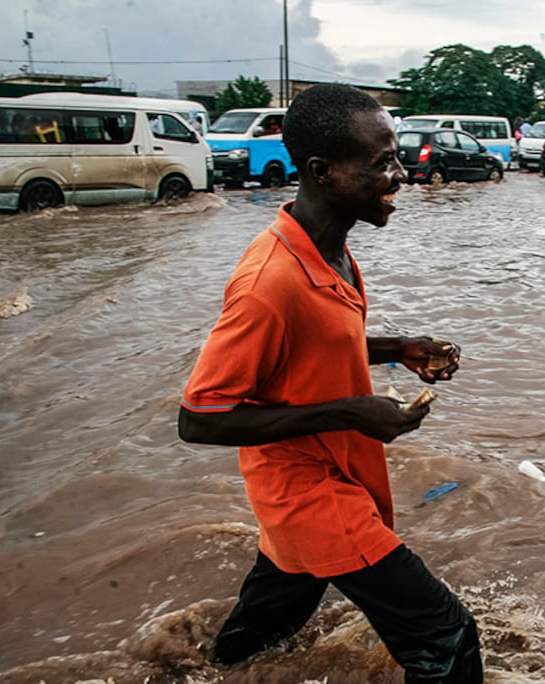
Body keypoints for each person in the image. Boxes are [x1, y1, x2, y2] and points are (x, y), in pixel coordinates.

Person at [178, 83, 483, 681]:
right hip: (308, 492)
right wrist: (351, 413)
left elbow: (309, 347)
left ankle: (189, 671)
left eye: (397, 159)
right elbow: (199, 418)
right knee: (445, 636)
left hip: (334, 474)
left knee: (263, 632)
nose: (401, 176)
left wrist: (398, 348)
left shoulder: (328, 253)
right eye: (383, 163)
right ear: (322, 171)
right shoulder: (269, 283)